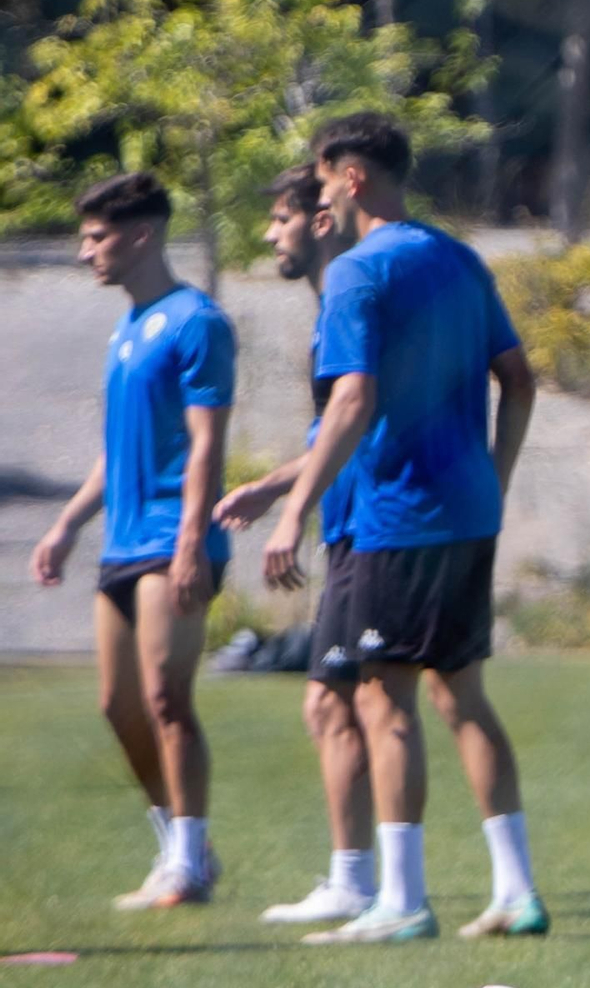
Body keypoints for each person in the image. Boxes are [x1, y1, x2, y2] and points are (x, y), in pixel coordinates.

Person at [261, 113, 544, 945]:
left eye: (319, 179)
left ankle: (403, 901)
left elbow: (352, 402)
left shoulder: (357, 273)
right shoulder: (459, 258)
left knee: (385, 698)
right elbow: (520, 383)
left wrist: (292, 507)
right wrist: (493, 478)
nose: (314, 195)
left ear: (351, 178)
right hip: (464, 510)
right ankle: (516, 891)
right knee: (463, 696)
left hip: (398, 515)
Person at [30, 172, 235, 909]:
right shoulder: (128, 329)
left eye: (97, 236)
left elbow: (207, 445)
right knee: (118, 705)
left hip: (171, 538)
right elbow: (121, 448)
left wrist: (190, 543)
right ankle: (183, 846)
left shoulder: (196, 321)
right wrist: (69, 522)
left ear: (142, 233)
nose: (86, 252)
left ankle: (185, 866)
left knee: (166, 697)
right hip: (120, 542)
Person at [213, 164, 373, 925]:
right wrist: (274, 489)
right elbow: (329, 436)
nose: (269, 235)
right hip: (353, 524)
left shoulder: (348, 297)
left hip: (373, 527)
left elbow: (358, 416)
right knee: (357, 699)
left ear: (319, 220)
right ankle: (370, 878)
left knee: (338, 700)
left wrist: (289, 512)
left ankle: (364, 882)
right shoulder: (330, 308)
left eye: (280, 219)